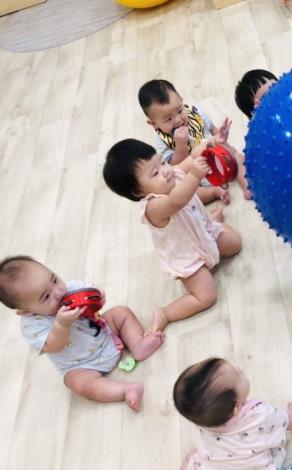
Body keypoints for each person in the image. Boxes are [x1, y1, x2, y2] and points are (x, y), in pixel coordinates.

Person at [102, 139, 242, 332]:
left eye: (162, 162)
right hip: (187, 257)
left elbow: (192, 158)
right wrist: (194, 175)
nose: (166, 170)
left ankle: (212, 220)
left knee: (235, 244)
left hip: (203, 231)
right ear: (138, 191)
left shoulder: (170, 173)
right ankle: (166, 313)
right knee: (207, 296)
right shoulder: (153, 207)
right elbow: (177, 201)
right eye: (155, 172)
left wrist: (209, 145)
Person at [0, 256, 164, 411]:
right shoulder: (32, 327)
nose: (58, 292)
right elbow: (54, 346)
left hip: (105, 333)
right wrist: (61, 325)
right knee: (76, 383)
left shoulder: (69, 289)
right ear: (25, 311)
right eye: (46, 296)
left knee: (121, 312)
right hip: (82, 365)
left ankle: (138, 345)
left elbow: (92, 294)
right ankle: (125, 390)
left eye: (54, 279)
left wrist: (97, 296)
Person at [173, 357, 292, 470]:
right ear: (236, 408)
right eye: (237, 374)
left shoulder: (203, 419)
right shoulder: (260, 416)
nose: (239, 369)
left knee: (193, 458)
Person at [138, 79, 251, 201]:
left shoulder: (195, 114)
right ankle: (213, 192)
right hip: (199, 175)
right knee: (180, 191)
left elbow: (213, 130)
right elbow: (176, 168)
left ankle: (247, 185)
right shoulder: (162, 142)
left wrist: (225, 143)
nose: (178, 120)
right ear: (153, 124)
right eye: (168, 119)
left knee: (238, 157)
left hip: (220, 157)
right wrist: (180, 145)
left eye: (180, 111)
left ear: (181, 100)